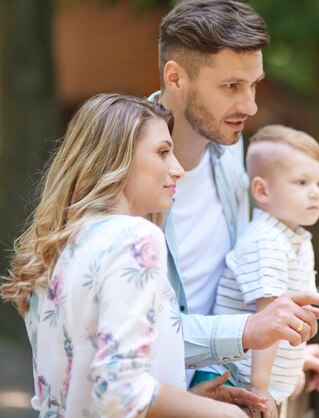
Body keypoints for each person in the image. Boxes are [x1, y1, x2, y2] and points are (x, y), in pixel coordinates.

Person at [0, 93, 264, 417]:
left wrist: (188, 399)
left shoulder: (56, 248)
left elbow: (81, 394)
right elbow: (120, 392)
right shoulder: (135, 239)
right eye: (163, 153)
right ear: (116, 158)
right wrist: (227, 415)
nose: (177, 169)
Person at [152, 0, 319, 390]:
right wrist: (249, 332)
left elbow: (236, 280)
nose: (250, 105)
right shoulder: (121, 167)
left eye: (253, 84)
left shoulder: (233, 148)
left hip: (221, 380)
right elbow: (128, 332)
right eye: (231, 86)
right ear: (176, 78)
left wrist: (281, 352)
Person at [208, 125, 319, 417]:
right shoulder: (267, 241)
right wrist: (261, 389)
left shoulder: (294, 237)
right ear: (262, 190)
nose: (315, 193)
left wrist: (295, 364)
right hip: (242, 385)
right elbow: (268, 316)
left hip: (267, 382)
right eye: (301, 182)